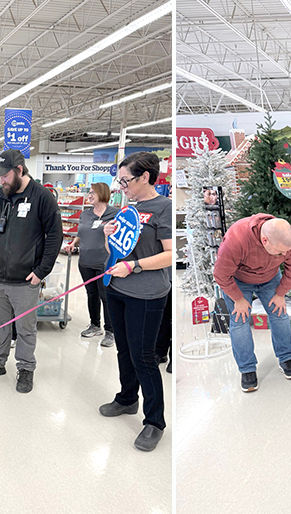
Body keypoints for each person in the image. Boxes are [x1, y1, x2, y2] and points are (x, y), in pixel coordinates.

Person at [0, 149, 62, 393]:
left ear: (20, 170)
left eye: (5, 175)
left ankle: (26, 368)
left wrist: (41, 271)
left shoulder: (42, 197)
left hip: (25, 280)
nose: (1, 181)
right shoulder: (0, 196)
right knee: (0, 324)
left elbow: (55, 237)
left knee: (25, 329)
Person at [98, 152, 173, 452]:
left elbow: (169, 254)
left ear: (145, 177)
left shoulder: (163, 207)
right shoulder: (127, 207)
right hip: (117, 288)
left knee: (144, 356)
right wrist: (107, 234)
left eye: (126, 180)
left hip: (146, 293)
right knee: (124, 349)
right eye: (120, 180)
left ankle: (154, 421)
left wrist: (136, 266)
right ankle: (128, 398)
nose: (121, 186)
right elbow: (115, 249)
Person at [213, 214, 291, 392]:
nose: (284, 255)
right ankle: (247, 369)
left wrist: (281, 293)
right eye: (279, 252)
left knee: (280, 314)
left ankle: (286, 358)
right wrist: (238, 299)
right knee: (239, 320)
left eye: (286, 252)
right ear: (265, 240)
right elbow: (221, 275)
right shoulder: (236, 238)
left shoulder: (289, 239)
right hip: (238, 280)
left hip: (270, 278)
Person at [61, 182, 118, 348]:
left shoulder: (114, 213)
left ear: (102, 193)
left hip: (105, 262)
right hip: (85, 261)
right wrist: (73, 243)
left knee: (105, 296)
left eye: (92, 193)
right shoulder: (86, 214)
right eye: (89, 193)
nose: (89, 195)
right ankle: (95, 325)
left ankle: (110, 331)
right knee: (91, 294)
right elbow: (81, 233)